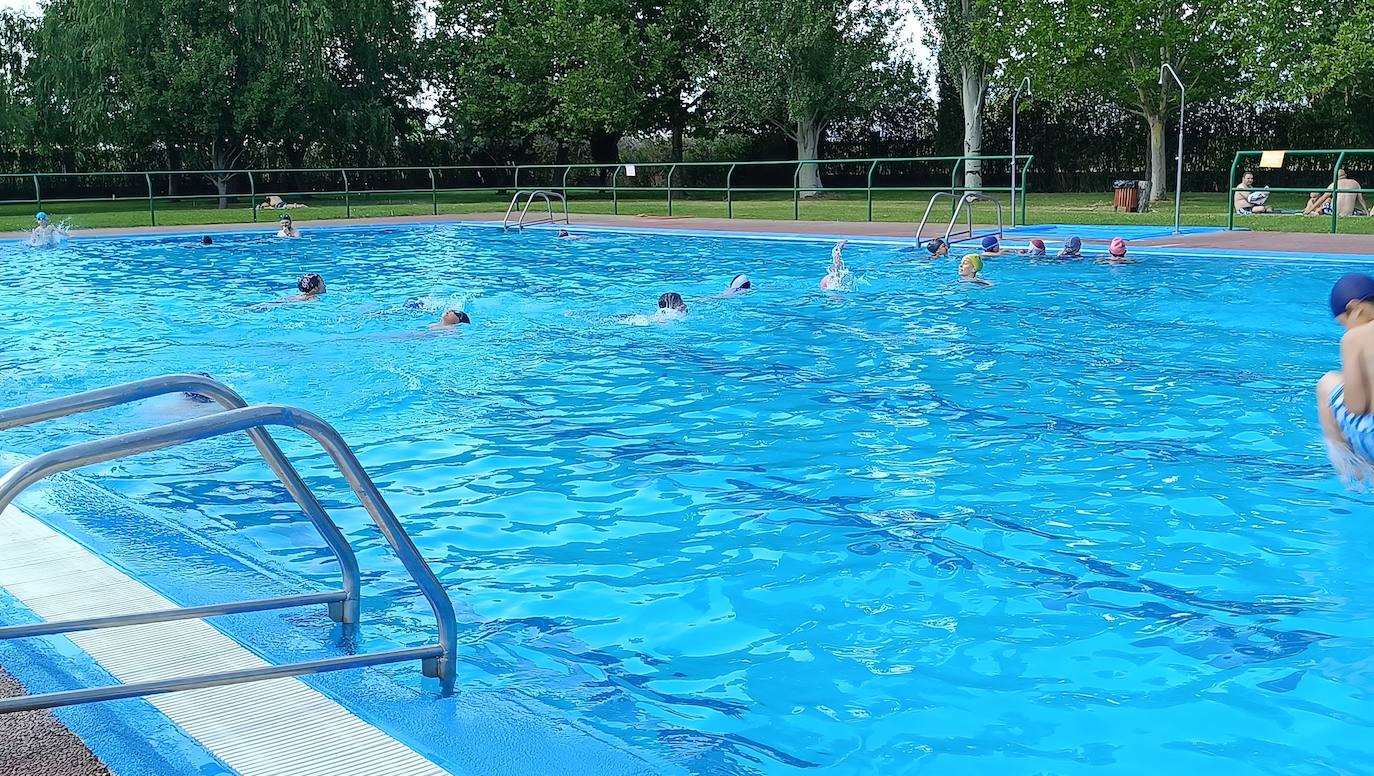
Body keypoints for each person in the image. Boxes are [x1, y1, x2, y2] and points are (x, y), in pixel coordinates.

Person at [1318, 273, 1374, 485]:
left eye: (1344, 323)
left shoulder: (1354, 338)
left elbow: (1356, 406)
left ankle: (1353, 474)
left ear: (1355, 308)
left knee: (1327, 384)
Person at [1304, 168, 1371, 217]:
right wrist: (1367, 213)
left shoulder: (1334, 184)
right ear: (1346, 175)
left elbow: (1322, 199)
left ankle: (1316, 212)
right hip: (1348, 213)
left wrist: (1310, 210)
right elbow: (1361, 200)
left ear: (1336, 177)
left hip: (1334, 212)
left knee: (1328, 200)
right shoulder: (1355, 183)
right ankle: (1366, 212)